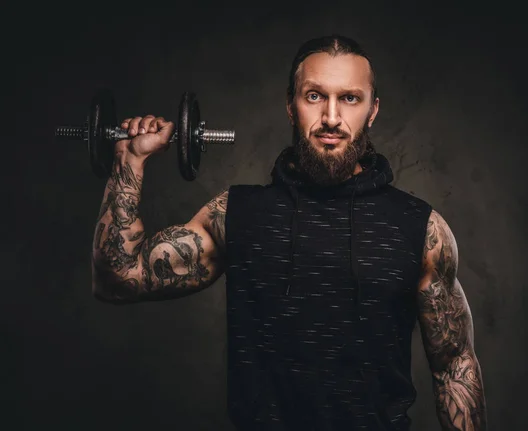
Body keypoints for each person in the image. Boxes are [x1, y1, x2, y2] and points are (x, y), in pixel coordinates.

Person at [92, 34, 488, 431]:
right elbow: (118, 279)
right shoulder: (238, 215)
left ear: (372, 110)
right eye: (314, 96)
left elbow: (454, 365)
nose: (332, 117)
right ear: (290, 104)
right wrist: (130, 161)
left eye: (350, 98)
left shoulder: (420, 228)